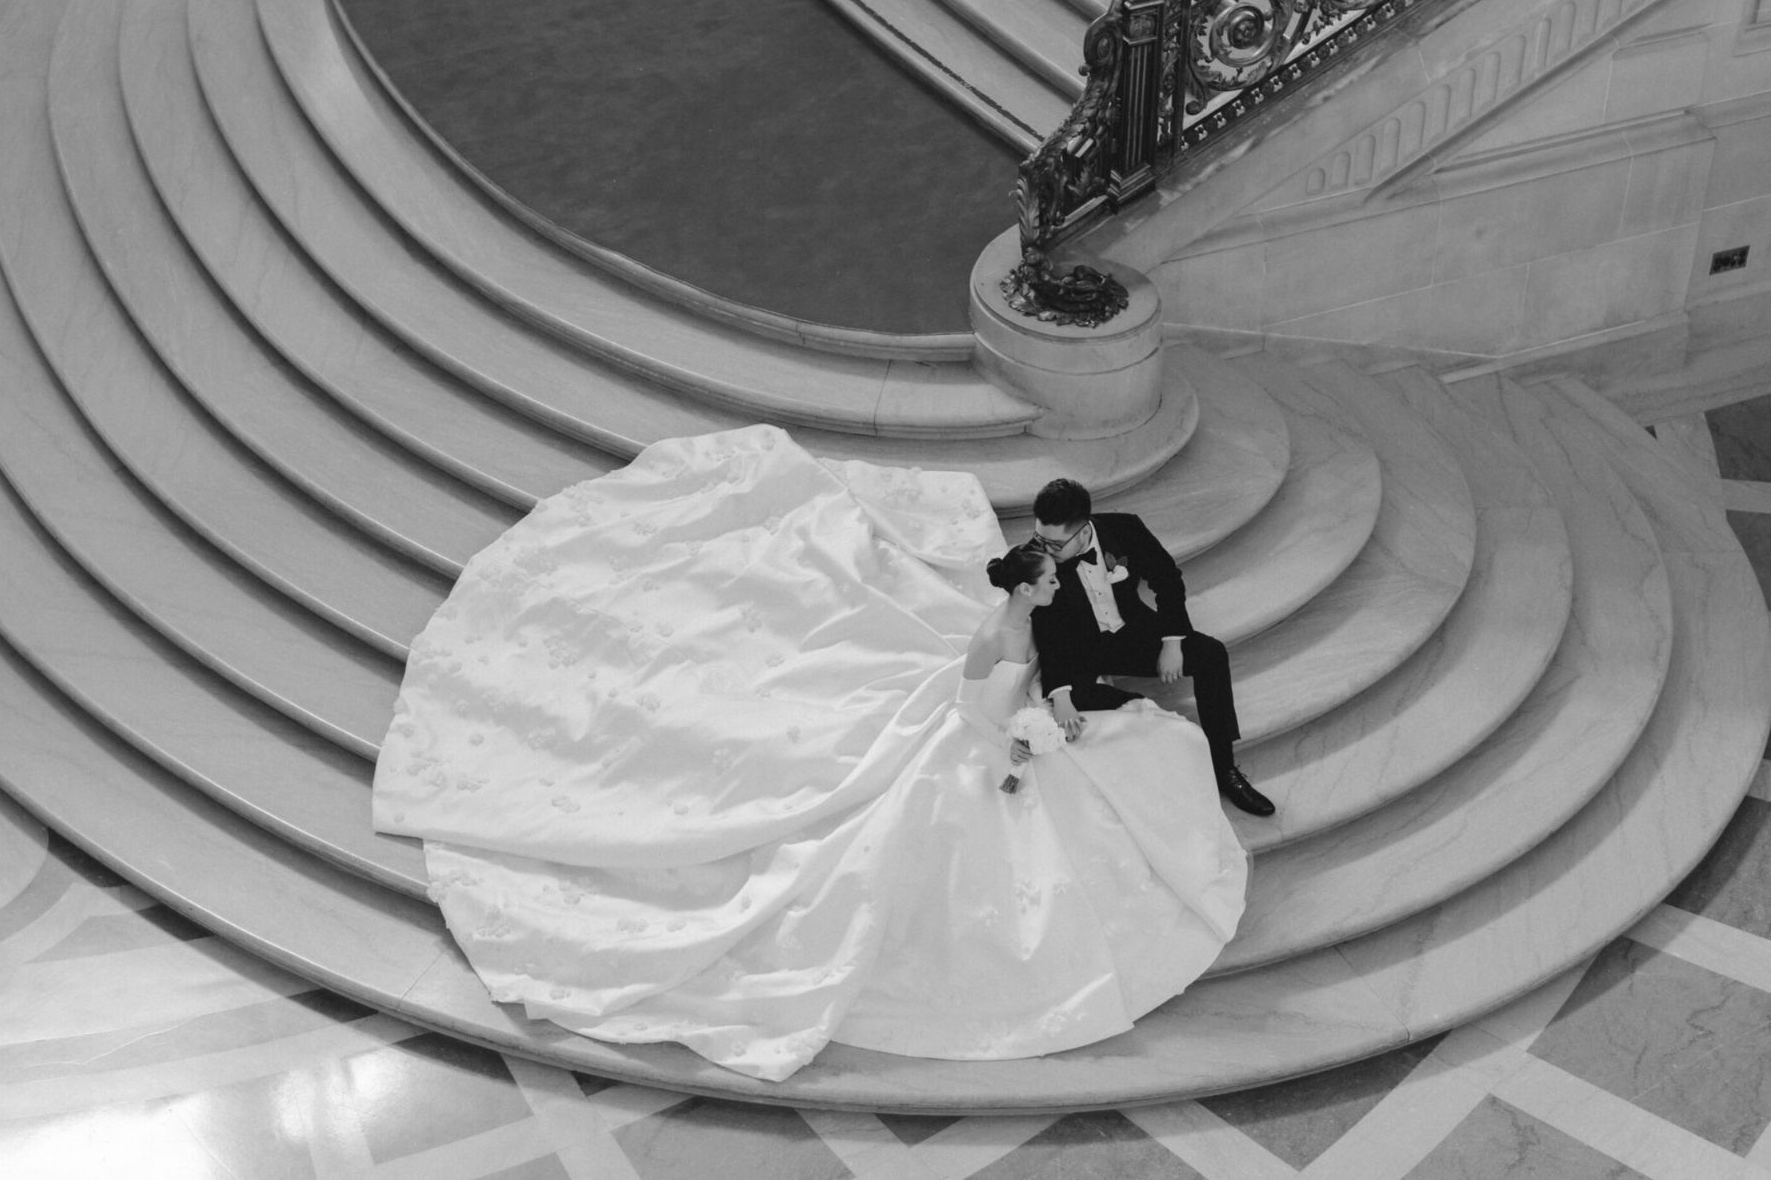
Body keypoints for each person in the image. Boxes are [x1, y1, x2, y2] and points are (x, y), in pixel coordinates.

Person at [372, 427, 1246, 1082]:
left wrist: (1040, 713)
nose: (1053, 575)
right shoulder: (1011, 623)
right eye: (1046, 573)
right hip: (977, 737)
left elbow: (1022, 666)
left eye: (1056, 563)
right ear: (1029, 585)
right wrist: (1022, 733)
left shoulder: (1043, 602)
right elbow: (982, 680)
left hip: (995, 727)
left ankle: (1204, 756)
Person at [1028, 477, 1276, 816]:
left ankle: (1224, 769)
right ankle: (1149, 725)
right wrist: (1060, 693)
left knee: (1211, 655)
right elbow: (1047, 627)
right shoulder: (1035, 558)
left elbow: (1167, 578)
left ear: (1084, 531)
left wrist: (1172, 641)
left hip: (1132, 634)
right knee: (1083, 703)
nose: (1043, 549)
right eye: (1039, 537)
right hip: (1080, 648)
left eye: (1054, 544)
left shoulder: (1125, 529)